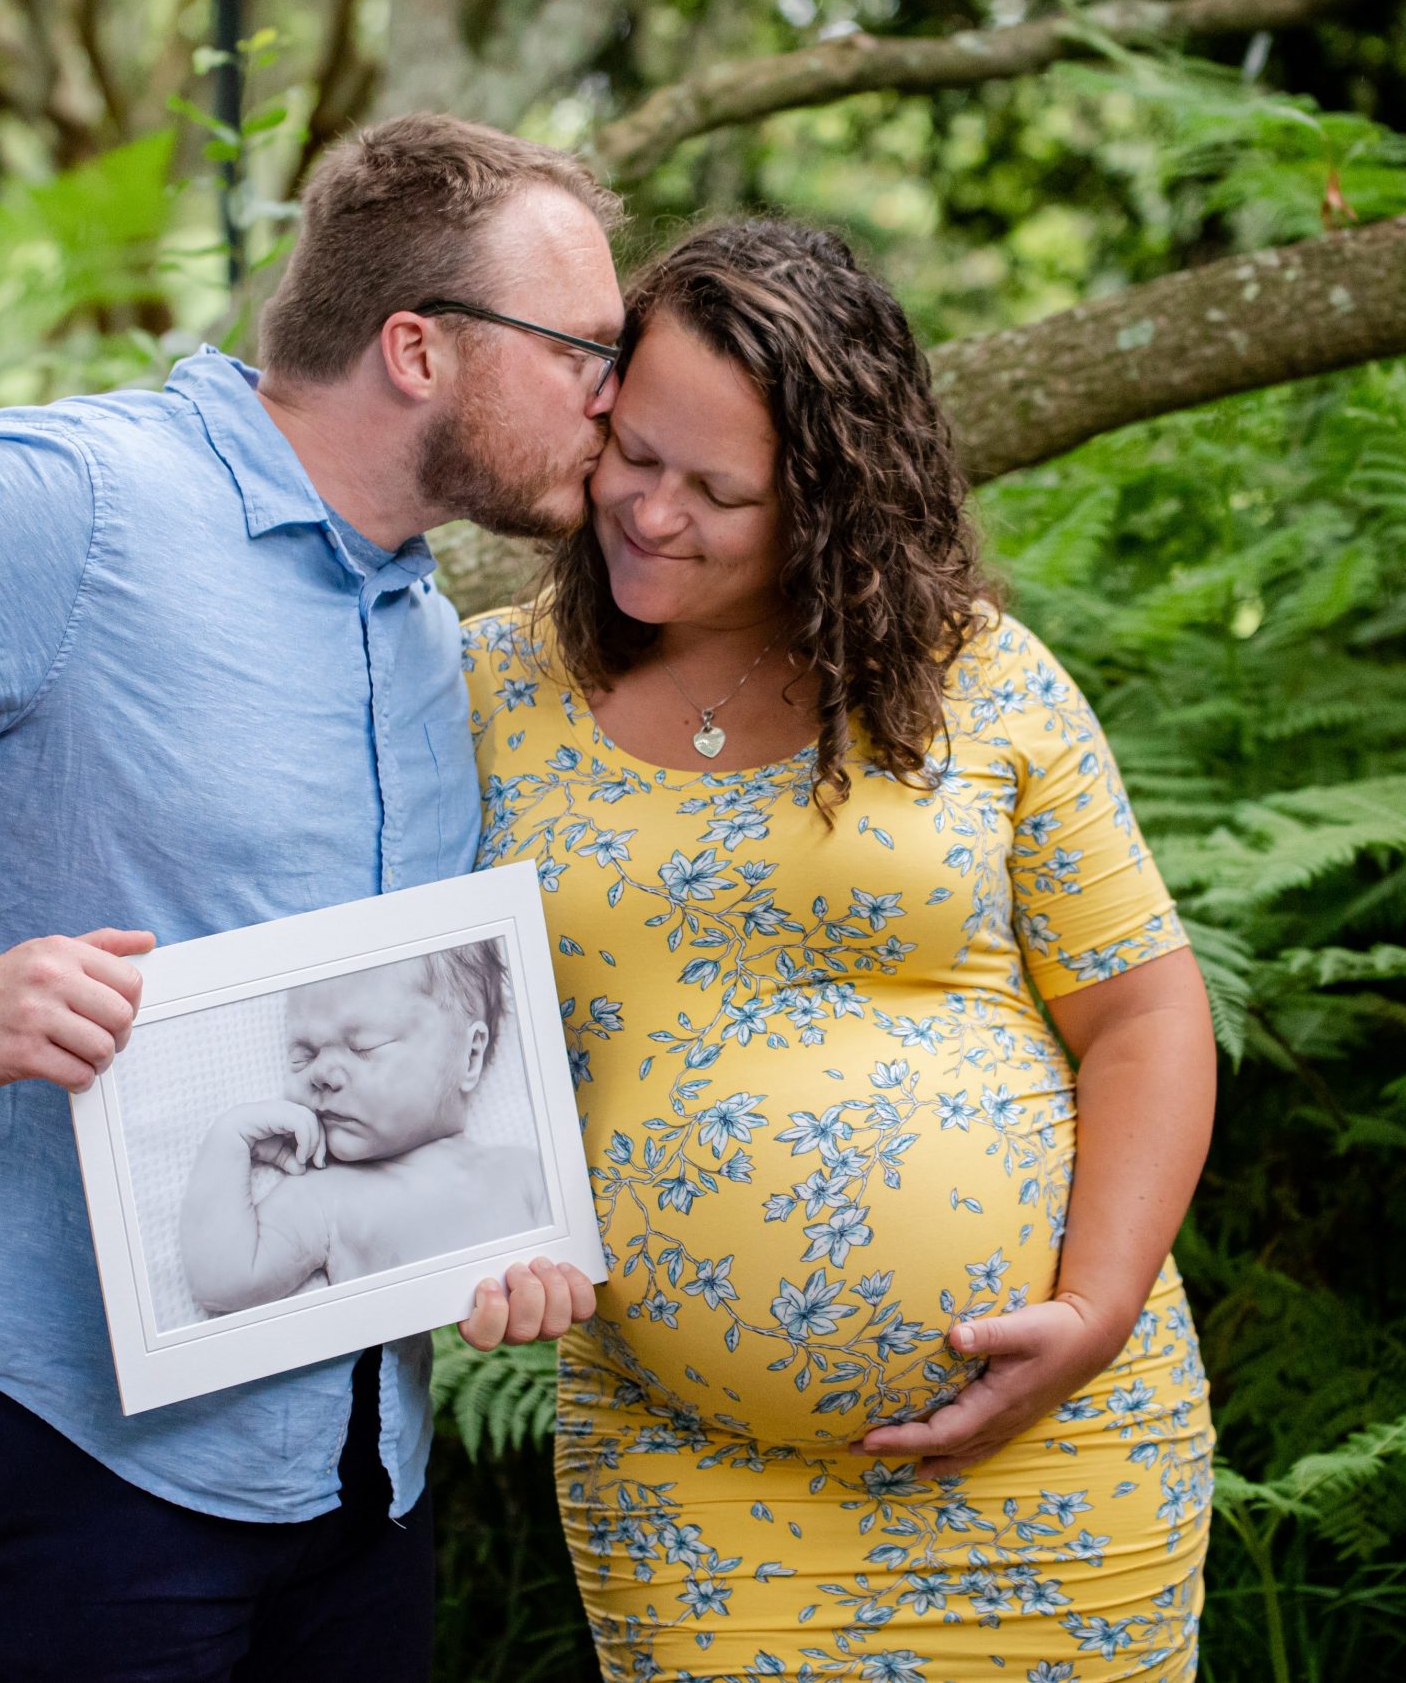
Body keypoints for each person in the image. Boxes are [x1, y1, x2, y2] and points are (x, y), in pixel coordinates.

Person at [0, 114, 612, 1683]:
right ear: (419, 348)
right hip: (46, 1439)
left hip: (352, 1460)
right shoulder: (71, 501)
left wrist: (493, 1220)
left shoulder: (423, 625)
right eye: (584, 352)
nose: (609, 403)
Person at [464, 222, 1218, 1680]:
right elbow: (400, 1023)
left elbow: (1146, 1015)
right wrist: (466, 1228)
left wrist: (1094, 1310)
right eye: (635, 453)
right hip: (695, 1486)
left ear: (832, 501)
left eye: (721, 491)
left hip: (1057, 1465)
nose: (651, 512)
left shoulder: (976, 680)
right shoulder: (490, 692)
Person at [181, 945, 547, 1315]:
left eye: (364, 1046)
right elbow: (222, 1285)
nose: (321, 1073)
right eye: (303, 1054)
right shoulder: (322, 1196)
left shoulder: (524, 1172)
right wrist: (229, 1140)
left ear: (470, 1055)